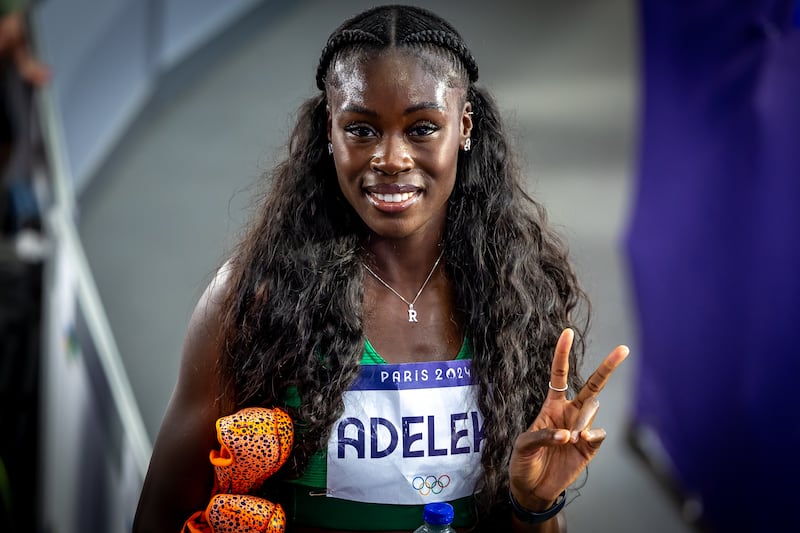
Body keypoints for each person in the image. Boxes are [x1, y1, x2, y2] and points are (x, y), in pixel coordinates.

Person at [133, 5, 628, 532]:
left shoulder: (515, 299)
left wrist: (533, 503)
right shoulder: (256, 297)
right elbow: (160, 515)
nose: (391, 158)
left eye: (421, 128)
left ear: (463, 127)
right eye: (362, 129)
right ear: (330, 130)